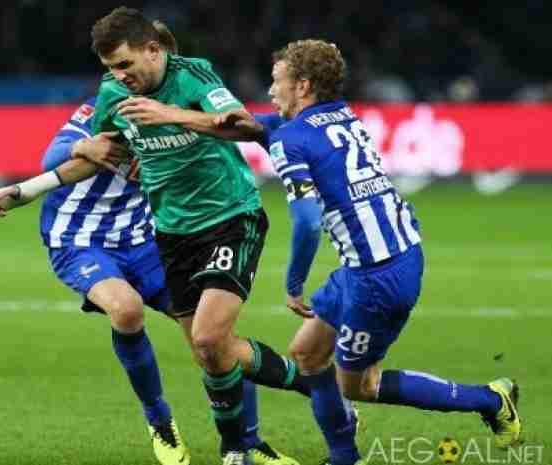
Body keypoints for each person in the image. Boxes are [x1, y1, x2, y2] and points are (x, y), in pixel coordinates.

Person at [122, 39, 522, 465]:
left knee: (358, 385)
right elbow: (247, 126)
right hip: (376, 259)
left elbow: (308, 221)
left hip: (380, 275)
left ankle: (489, 399)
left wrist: (294, 282)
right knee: (307, 356)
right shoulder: (338, 115)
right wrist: (174, 115)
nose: (270, 90)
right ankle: (343, 456)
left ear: (303, 86)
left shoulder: (291, 140)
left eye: (277, 80)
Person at [0, 19, 305, 465]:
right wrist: (78, 151)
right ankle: (160, 421)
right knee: (126, 309)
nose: (122, 76)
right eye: (114, 68)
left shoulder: (186, 93)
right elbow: (56, 156)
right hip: (81, 238)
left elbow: (240, 126)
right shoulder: (109, 101)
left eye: (127, 66)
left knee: (213, 342)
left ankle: (252, 438)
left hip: (146, 237)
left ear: (159, 57)